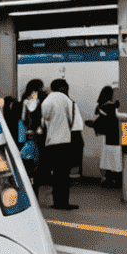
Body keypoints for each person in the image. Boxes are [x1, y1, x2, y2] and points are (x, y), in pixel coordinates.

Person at [41, 78, 81, 211]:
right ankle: (63, 202)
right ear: (62, 88)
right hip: (65, 142)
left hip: (52, 142)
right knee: (64, 175)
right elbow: (75, 123)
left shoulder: (47, 100)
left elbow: (45, 117)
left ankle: (57, 201)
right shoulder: (67, 100)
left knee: (56, 174)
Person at [92, 84, 122, 189]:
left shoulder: (101, 105)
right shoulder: (112, 106)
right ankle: (118, 179)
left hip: (106, 137)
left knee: (108, 158)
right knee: (117, 157)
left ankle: (108, 179)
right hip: (116, 136)